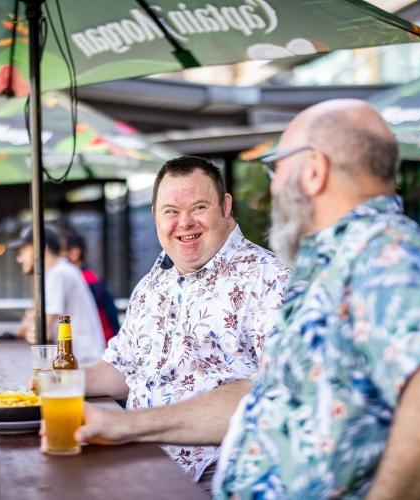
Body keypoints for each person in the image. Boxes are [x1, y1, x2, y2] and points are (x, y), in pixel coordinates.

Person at [71, 101, 420, 499]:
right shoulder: (339, 260)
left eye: (278, 169)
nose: (274, 188)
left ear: (313, 170)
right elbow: (271, 398)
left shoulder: (383, 252)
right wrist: (123, 423)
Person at [34, 156, 292, 483]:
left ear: (225, 206)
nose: (184, 223)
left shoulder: (271, 281)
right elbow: (123, 368)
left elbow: (277, 397)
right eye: (170, 211)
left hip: (216, 479)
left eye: (199, 207)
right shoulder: (154, 282)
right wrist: (53, 383)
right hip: (136, 460)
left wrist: (126, 426)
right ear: (155, 214)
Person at [8, 224, 105, 364]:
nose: (19, 259)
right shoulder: (59, 271)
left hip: (83, 364)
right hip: (77, 361)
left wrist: (32, 326)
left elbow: (40, 332)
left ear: (41, 249)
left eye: (23, 251)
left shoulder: (59, 274)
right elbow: (27, 325)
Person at [60, 228, 121, 343]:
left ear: (74, 252)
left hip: (101, 348)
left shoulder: (86, 279)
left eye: (60, 252)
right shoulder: (86, 277)